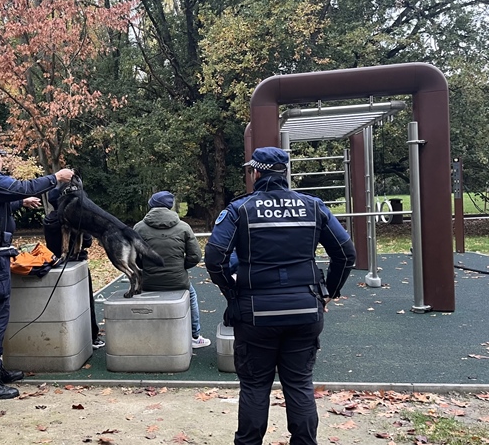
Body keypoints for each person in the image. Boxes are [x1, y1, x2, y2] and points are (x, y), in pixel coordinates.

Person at [204, 147, 356, 445]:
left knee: (255, 386)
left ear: (256, 172)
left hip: (256, 314)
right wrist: (329, 293)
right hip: (305, 310)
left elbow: (215, 257)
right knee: (299, 384)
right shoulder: (313, 206)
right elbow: (345, 253)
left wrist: (232, 293)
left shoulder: (240, 209)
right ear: (283, 172)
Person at [0, 141, 74, 400]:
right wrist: (56, 177)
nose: (3, 160)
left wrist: (20, 203)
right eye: (1, 156)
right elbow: (21, 186)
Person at [133, 191, 211, 349]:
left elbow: (134, 257)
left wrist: (145, 266)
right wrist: (180, 267)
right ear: (170, 206)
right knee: (192, 297)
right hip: (178, 281)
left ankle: (149, 336)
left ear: (151, 206)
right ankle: (194, 336)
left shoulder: (139, 228)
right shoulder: (183, 227)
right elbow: (195, 256)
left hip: (148, 281)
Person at [42, 187, 106, 350]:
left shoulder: (48, 220)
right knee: (86, 302)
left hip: (55, 265)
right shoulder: (75, 219)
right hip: (76, 264)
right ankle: (92, 336)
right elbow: (87, 242)